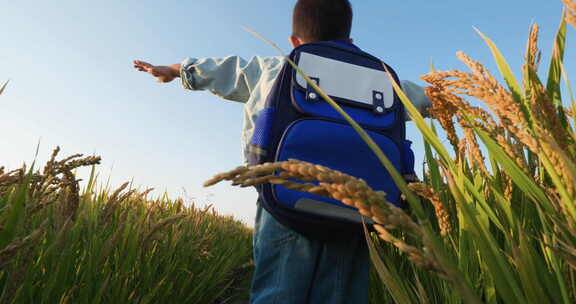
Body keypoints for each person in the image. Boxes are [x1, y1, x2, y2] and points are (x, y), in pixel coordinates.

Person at [134, 1, 431, 303]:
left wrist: (172, 70)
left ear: (294, 42)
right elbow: (427, 98)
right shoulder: (380, 80)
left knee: (278, 292)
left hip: (285, 198)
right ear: (350, 40)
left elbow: (224, 70)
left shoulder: (276, 67)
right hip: (360, 209)